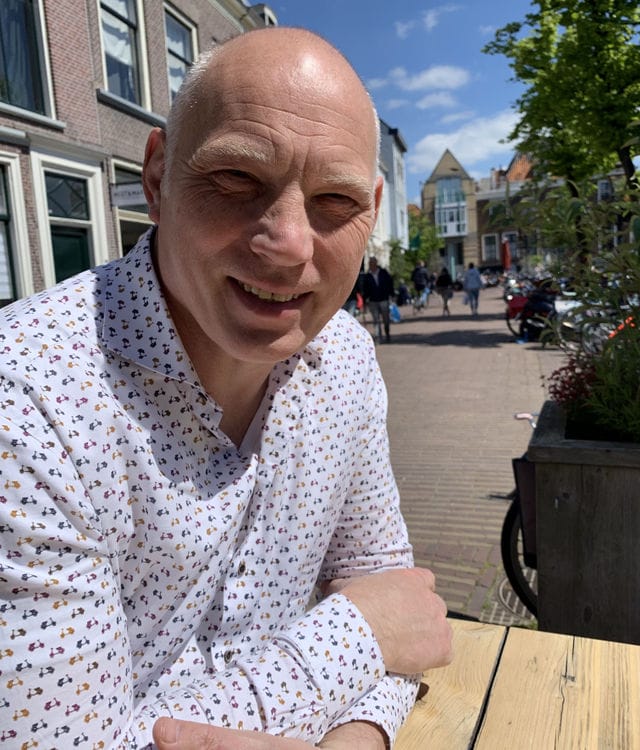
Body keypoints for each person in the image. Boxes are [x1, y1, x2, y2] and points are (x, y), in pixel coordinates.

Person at [0, 27, 452, 750]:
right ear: (157, 179)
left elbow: (399, 607)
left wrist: (361, 734)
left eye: (335, 200)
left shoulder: (346, 358)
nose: (290, 244)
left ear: (370, 210)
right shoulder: (26, 400)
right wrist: (354, 639)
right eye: (238, 180)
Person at [362, 256, 395, 343]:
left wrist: (392, 294)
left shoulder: (383, 273)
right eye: (370, 263)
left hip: (384, 299)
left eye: (372, 263)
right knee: (376, 320)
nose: (371, 265)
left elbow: (390, 283)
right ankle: (378, 336)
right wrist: (364, 301)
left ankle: (387, 332)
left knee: (386, 319)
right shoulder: (367, 276)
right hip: (373, 300)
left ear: (376, 263)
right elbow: (365, 290)